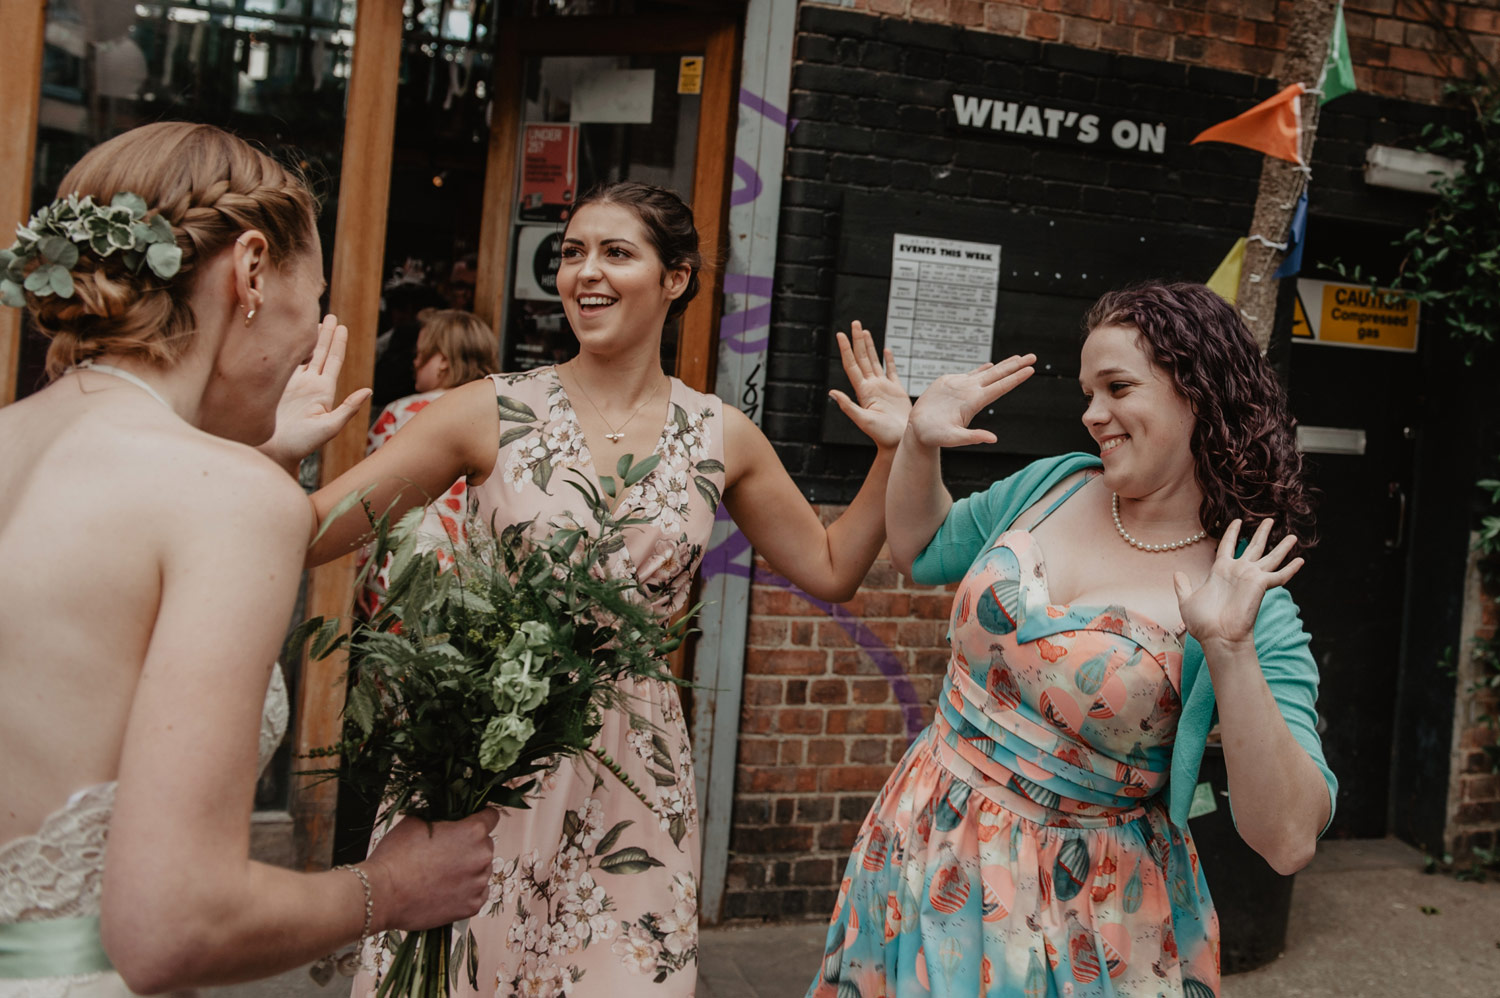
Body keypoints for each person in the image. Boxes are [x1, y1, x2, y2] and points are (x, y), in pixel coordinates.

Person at [309, 181, 911, 997]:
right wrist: (276, 448)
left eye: (616, 252)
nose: (584, 273)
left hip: (636, 766)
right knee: (466, 973)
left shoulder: (718, 434)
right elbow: (316, 532)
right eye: (572, 252)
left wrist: (890, 453)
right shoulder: (489, 410)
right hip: (491, 752)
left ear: (677, 278)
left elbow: (834, 566)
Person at [0, 121, 498, 996]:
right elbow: (175, 925)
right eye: (318, 305)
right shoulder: (226, 499)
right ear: (253, 270)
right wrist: (393, 887)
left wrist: (260, 459)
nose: (310, 346)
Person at [809, 282, 1336, 998]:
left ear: (1199, 393)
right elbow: (921, 546)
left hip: (1081, 912)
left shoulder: (1247, 594)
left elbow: (1288, 840)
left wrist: (1229, 650)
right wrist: (916, 445)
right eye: (1088, 392)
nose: (1093, 414)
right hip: (921, 845)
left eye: (1117, 387)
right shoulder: (1052, 485)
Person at [356, 308, 500, 617]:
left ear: (444, 360)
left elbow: (368, 498)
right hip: (479, 574)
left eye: (422, 354)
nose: (414, 361)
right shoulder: (500, 415)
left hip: (410, 569)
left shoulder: (402, 413)